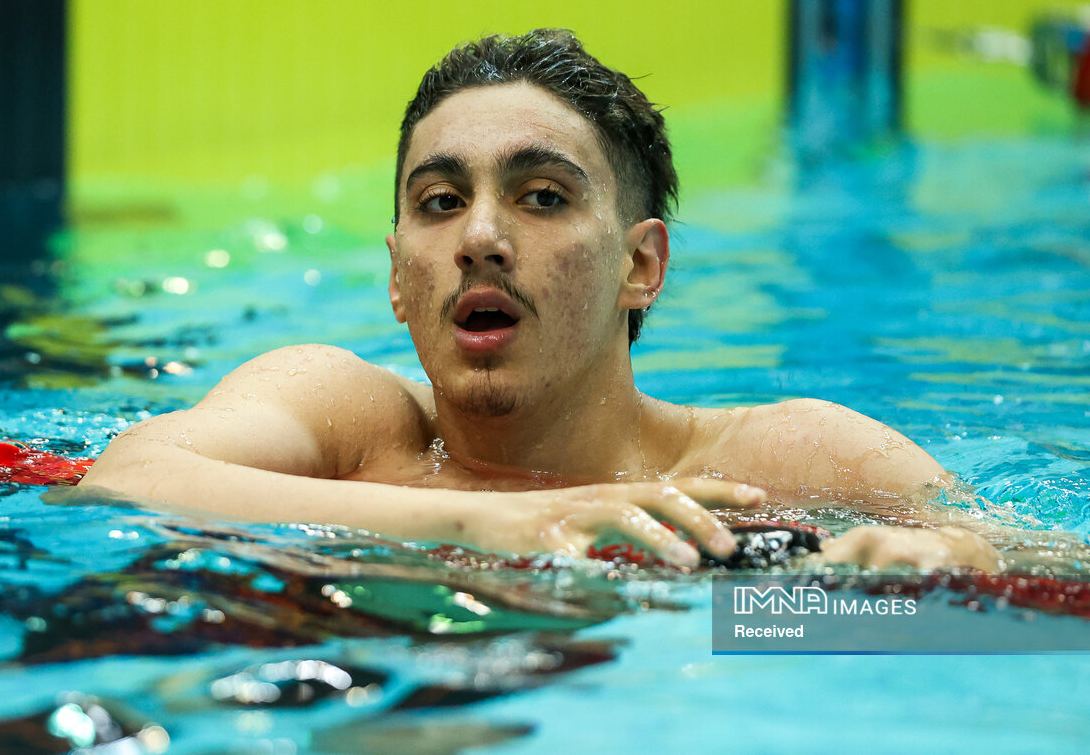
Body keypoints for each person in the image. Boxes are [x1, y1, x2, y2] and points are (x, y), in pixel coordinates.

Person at [81, 29, 1002, 572]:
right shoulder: (352, 424)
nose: (479, 236)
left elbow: (1029, 589)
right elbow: (127, 479)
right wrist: (497, 523)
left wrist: (937, 579)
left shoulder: (789, 462)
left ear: (642, 265)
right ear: (398, 277)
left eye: (543, 196)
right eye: (440, 202)